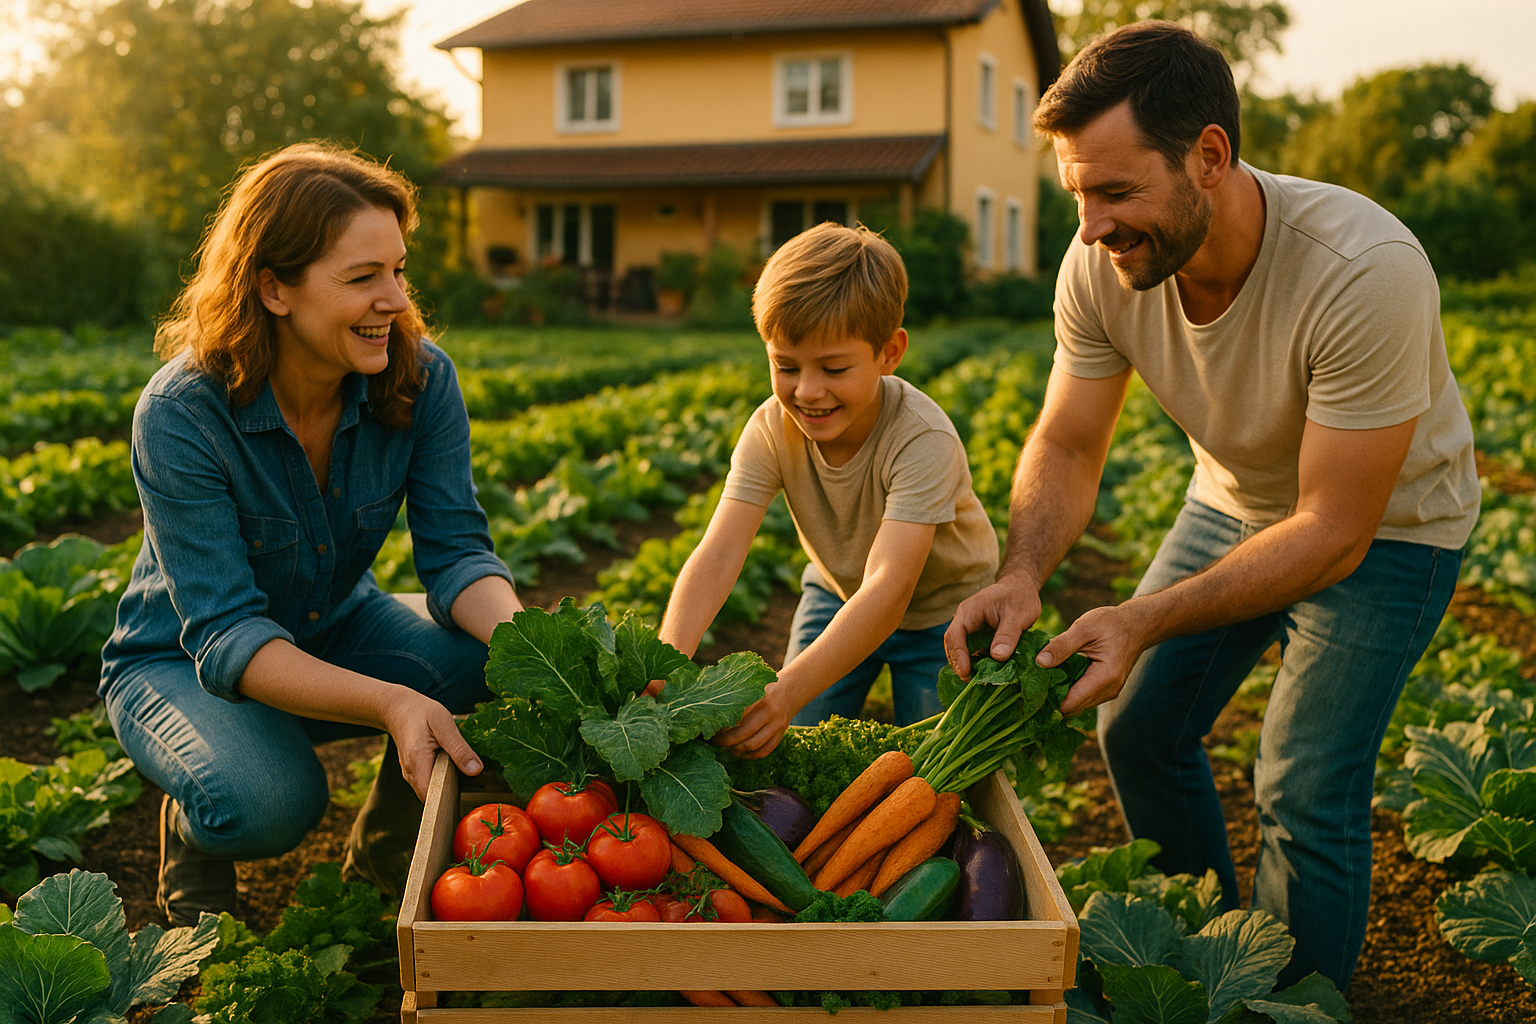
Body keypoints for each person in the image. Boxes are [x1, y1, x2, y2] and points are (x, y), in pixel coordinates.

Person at [945, 21, 1479, 989]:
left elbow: (1331, 530)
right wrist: (1021, 572)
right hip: (1233, 497)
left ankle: (1294, 1005)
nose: (1092, 224)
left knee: (1303, 780)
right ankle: (1213, 964)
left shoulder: (1363, 271)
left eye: (1115, 191)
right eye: (1078, 195)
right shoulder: (1100, 267)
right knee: (1139, 728)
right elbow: (1068, 442)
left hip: (1392, 526)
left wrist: (1141, 617)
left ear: (1210, 157)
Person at [99, 143, 522, 925]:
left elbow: (458, 554)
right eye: (362, 279)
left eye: (398, 270)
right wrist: (394, 703)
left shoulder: (422, 379)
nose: (394, 299)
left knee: (489, 664)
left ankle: (386, 854)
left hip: (333, 623)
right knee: (268, 802)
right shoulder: (182, 414)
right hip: (180, 660)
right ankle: (198, 827)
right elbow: (226, 633)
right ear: (274, 289)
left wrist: (539, 653)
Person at [658, 223, 997, 758]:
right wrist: (665, 661)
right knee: (793, 746)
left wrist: (784, 692)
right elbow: (720, 552)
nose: (807, 391)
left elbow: (888, 590)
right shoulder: (771, 428)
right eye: (785, 366)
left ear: (889, 353)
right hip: (836, 590)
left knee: (937, 765)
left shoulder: (921, 438)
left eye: (833, 368)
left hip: (941, 614)